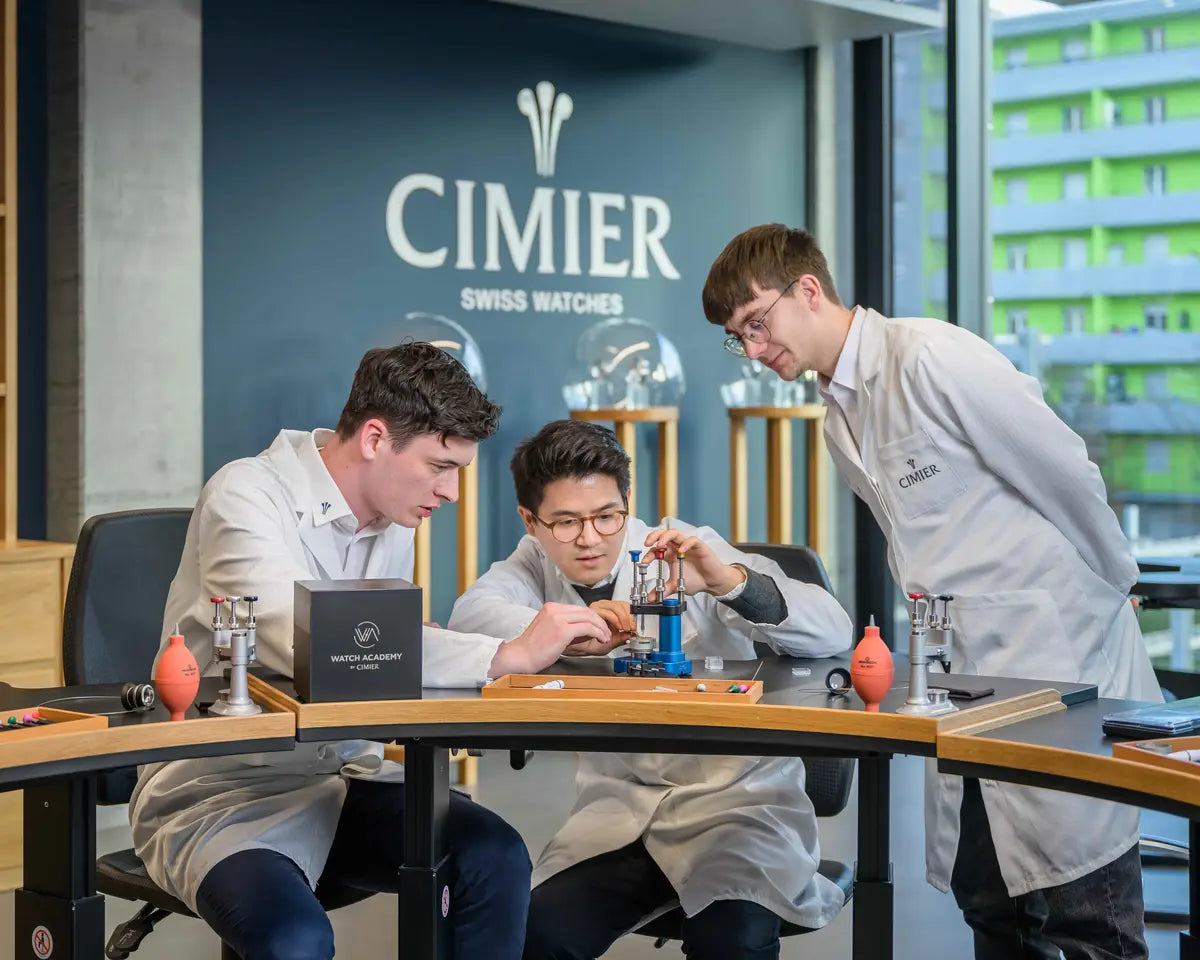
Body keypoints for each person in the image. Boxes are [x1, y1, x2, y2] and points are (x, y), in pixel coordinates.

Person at [702, 224, 1160, 960]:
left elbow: (1065, 470)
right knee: (992, 905)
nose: (754, 350)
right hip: (965, 678)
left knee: (1083, 920)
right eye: (738, 337)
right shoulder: (837, 418)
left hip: (1057, 654)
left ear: (808, 290)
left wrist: (1116, 582)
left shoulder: (930, 356)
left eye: (757, 323)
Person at [130, 344, 614, 960]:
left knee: (493, 856)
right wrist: (506, 654)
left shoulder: (391, 522)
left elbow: (375, 653)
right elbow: (317, 642)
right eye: (440, 466)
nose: (452, 492)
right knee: (293, 941)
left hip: (340, 777)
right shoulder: (245, 495)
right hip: (225, 791)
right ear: (376, 438)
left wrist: (431, 648)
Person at [448, 418, 853, 960]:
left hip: (737, 809)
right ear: (531, 521)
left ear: (626, 504)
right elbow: (469, 617)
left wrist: (727, 582)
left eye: (606, 516)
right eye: (565, 522)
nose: (589, 538)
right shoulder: (533, 564)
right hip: (621, 814)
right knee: (537, 934)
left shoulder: (686, 551)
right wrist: (574, 627)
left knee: (733, 941)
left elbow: (833, 628)